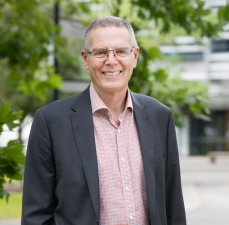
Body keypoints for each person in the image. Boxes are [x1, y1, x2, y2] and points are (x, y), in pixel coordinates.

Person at [21, 16, 186, 225]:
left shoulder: (159, 117)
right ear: (85, 59)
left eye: (121, 51)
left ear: (134, 56)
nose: (111, 60)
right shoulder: (51, 122)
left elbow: (173, 207)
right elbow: (35, 216)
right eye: (100, 52)